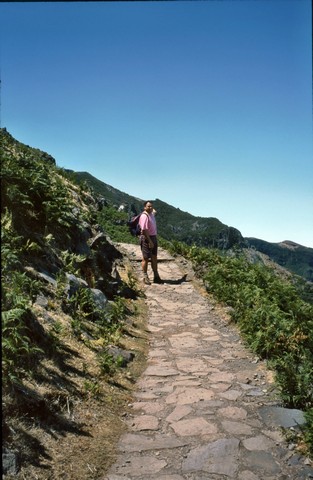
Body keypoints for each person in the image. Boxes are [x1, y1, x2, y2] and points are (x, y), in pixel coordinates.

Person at [138, 201, 162, 285]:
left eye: (151, 206)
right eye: (148, 206)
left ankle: (156, 276)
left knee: (154, 257)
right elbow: (144, 230)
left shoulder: (152, 214)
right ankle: (145, 277)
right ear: (144, 207)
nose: (150, 208)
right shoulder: (144, 216)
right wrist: (150, 241)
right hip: (146, 238)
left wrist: (152, 208)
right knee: (145, 258)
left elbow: (154, 211)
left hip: (153, 237)